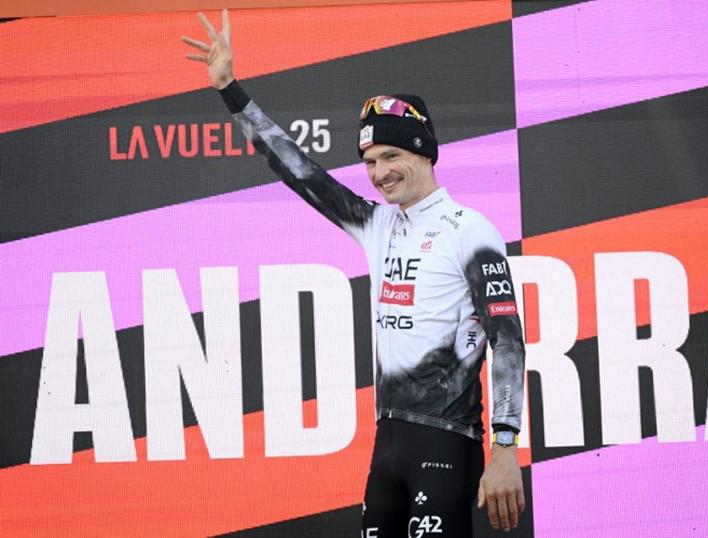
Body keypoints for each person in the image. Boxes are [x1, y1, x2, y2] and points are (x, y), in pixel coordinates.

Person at [182, 10, 526, 535]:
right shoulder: (375, 224)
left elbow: (508, 340)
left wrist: (504, 448)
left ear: (424, 152)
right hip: (386, 452)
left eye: (391, 155)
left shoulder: (471, 231)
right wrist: (231, 90)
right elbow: (298, 169)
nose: (380, 173)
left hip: (447, 442)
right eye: (369, 161)